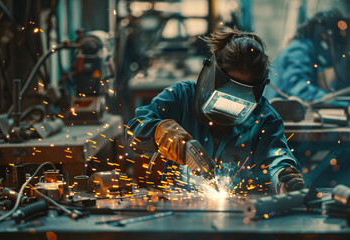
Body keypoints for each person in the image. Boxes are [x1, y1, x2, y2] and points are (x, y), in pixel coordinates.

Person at [126, 27, 304, 194]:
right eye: (226, 95)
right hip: (176, 211)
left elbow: (275, 158)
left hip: (241, 217)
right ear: (210, 78)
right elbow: (134, 130)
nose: (229, 107)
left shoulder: (265, 119)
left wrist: (283, 178)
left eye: (241, 99)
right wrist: (162, 132)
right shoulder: (180, 98)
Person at [265, 9, 350, 102]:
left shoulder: (310, 52)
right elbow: (298, 89)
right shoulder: (298, 50)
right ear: (324, 35)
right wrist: (331, 100)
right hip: (280, 114)